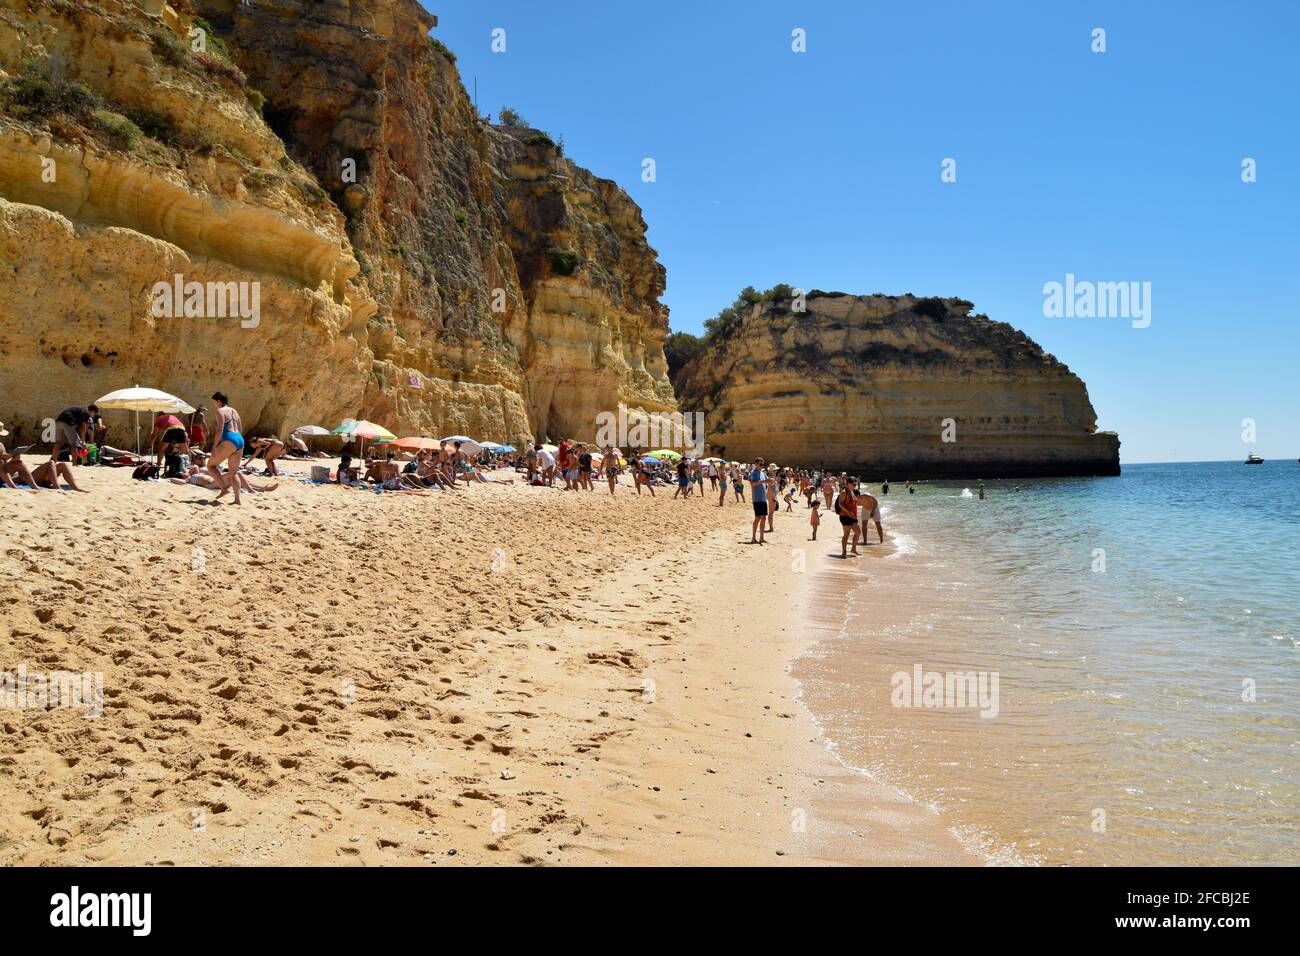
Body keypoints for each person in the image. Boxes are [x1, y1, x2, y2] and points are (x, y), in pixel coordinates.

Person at [207, 392, 245, 504]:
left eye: (214, 402)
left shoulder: (220, 411)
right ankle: (237, 500)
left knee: (211, 466)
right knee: (234, 473)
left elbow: (219, 430)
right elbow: (241, 428)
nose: (214, 404)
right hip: (239, 439)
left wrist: (214, 446)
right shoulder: (234, 411)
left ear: (219, 401)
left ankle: (224, 489)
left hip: (229, 438)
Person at [0, 423, 40, 491]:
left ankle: (34, 486)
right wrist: (10, 455)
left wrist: (14, 458)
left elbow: (4, 459)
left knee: (19, 463)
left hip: (2, 472)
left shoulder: (1, 444)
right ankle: (13, 486)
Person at [834, 479, 860, 558]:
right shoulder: (844, 492)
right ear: (848, 483)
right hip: (845, 516)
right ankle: (844, 552)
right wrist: (849, 512)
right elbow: (840, 504)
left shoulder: (851, 491)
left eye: (856, 485)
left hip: (852, 516)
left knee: (858, 532)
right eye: (854, 484)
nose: (855, 486)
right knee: (846, 535)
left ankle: (853, 549)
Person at [747, 458, 770, 544]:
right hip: (757, 498)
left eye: (763, 465)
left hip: (763, 498)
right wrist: (765, 481)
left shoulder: (763, 473)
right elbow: (752, 483)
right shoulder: (753, 473)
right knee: (758, 518)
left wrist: (772, 482)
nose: (762, 466)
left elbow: (767, 482)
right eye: (760, 464)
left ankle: (761, 538)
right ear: (756, 464)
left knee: (763, 517)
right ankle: (753, 538)